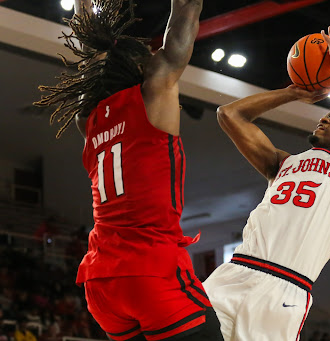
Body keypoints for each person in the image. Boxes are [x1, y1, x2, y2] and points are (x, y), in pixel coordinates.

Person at [203, 26, 330, 341]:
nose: (325, 119)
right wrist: (291, 93)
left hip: (282, 288)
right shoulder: (282, 163)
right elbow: (229, 115)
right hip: (232, 275)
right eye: (327, 116)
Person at [34, 0, 223, 340]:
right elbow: (185, 13)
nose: (153, 58)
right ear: (139, 70)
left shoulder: (87, 122)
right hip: (152, 272)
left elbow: (91, 61)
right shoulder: (154, 96)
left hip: (102, 285)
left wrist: (85, 8)